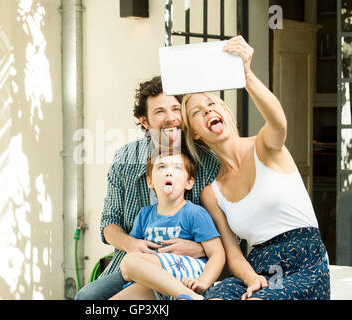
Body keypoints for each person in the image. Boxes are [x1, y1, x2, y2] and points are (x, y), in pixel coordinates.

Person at [180, 35, 330, 300]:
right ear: (195, 134)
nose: (206, 111)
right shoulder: (211, 193)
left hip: (305, 260)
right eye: (196, 112)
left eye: (211, 104)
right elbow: (234, 255)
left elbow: (279, 122)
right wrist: (253, 280)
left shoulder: (265, 146)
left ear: (225, 111)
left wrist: (246, 75)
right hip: (258, 266)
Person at [74, 76, 220, 300]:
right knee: (87, 297)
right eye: (160, 111)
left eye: (175, 109)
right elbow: (109, 223)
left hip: (191, 267)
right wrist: (133, 245)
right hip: (140, 263)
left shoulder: (207, 162)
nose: (171, 118)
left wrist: (199, 249)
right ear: (145, 121)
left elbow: (229, 235)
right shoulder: (125, 159)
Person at [109, 151, 225, 300]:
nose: (168, 172)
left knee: (128, 263)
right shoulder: (144, 215)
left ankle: (191, 296)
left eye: (177, 167)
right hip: (159, 280)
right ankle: (183, 295)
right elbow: (135, 251)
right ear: (150, 182)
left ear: (189, 182)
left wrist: (203, 282)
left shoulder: (194, 213)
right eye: (161, 167)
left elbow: (217, 254)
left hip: (188, 274)